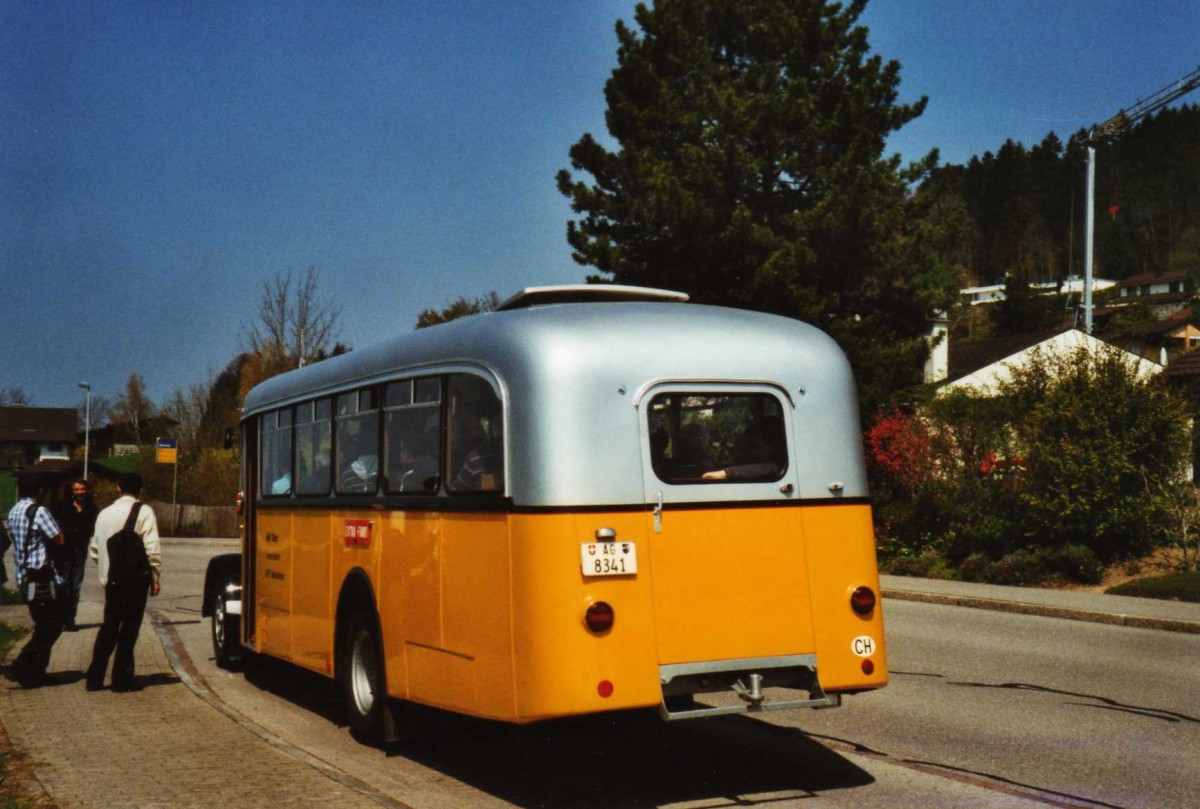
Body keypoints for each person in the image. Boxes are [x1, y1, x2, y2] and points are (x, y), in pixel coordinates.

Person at [85, 472, 161, 692]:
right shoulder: (144, 511)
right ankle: (121, 679)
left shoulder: (104, 514)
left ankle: (94, 677)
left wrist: (106, 569)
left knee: (109, 626)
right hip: (135, 581)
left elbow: (95, 549)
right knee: (129, 629)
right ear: (140, 491)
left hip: (111, 580)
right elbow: (152, 548)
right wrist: (154, 577)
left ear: (118, 488)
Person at [5, 477, 66, 686]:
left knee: (43, 623)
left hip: (23, 575)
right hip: (41, 576)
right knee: (52, 625)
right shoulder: (38, 511)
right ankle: (21, 666)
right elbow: (59, 538)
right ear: (40, 491)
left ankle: (36, 673)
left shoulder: (13, 511)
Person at [53, 479, 99, 631]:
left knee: (75, 587)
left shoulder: (92, 508)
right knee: (63, 585)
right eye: (76, 490)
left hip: (80, 551)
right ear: (71, 492)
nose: (80, 492)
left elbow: (92, 529)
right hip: (64, 552)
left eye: (82, 489)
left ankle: (70, 620)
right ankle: (58, 619)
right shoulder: (62, 507)